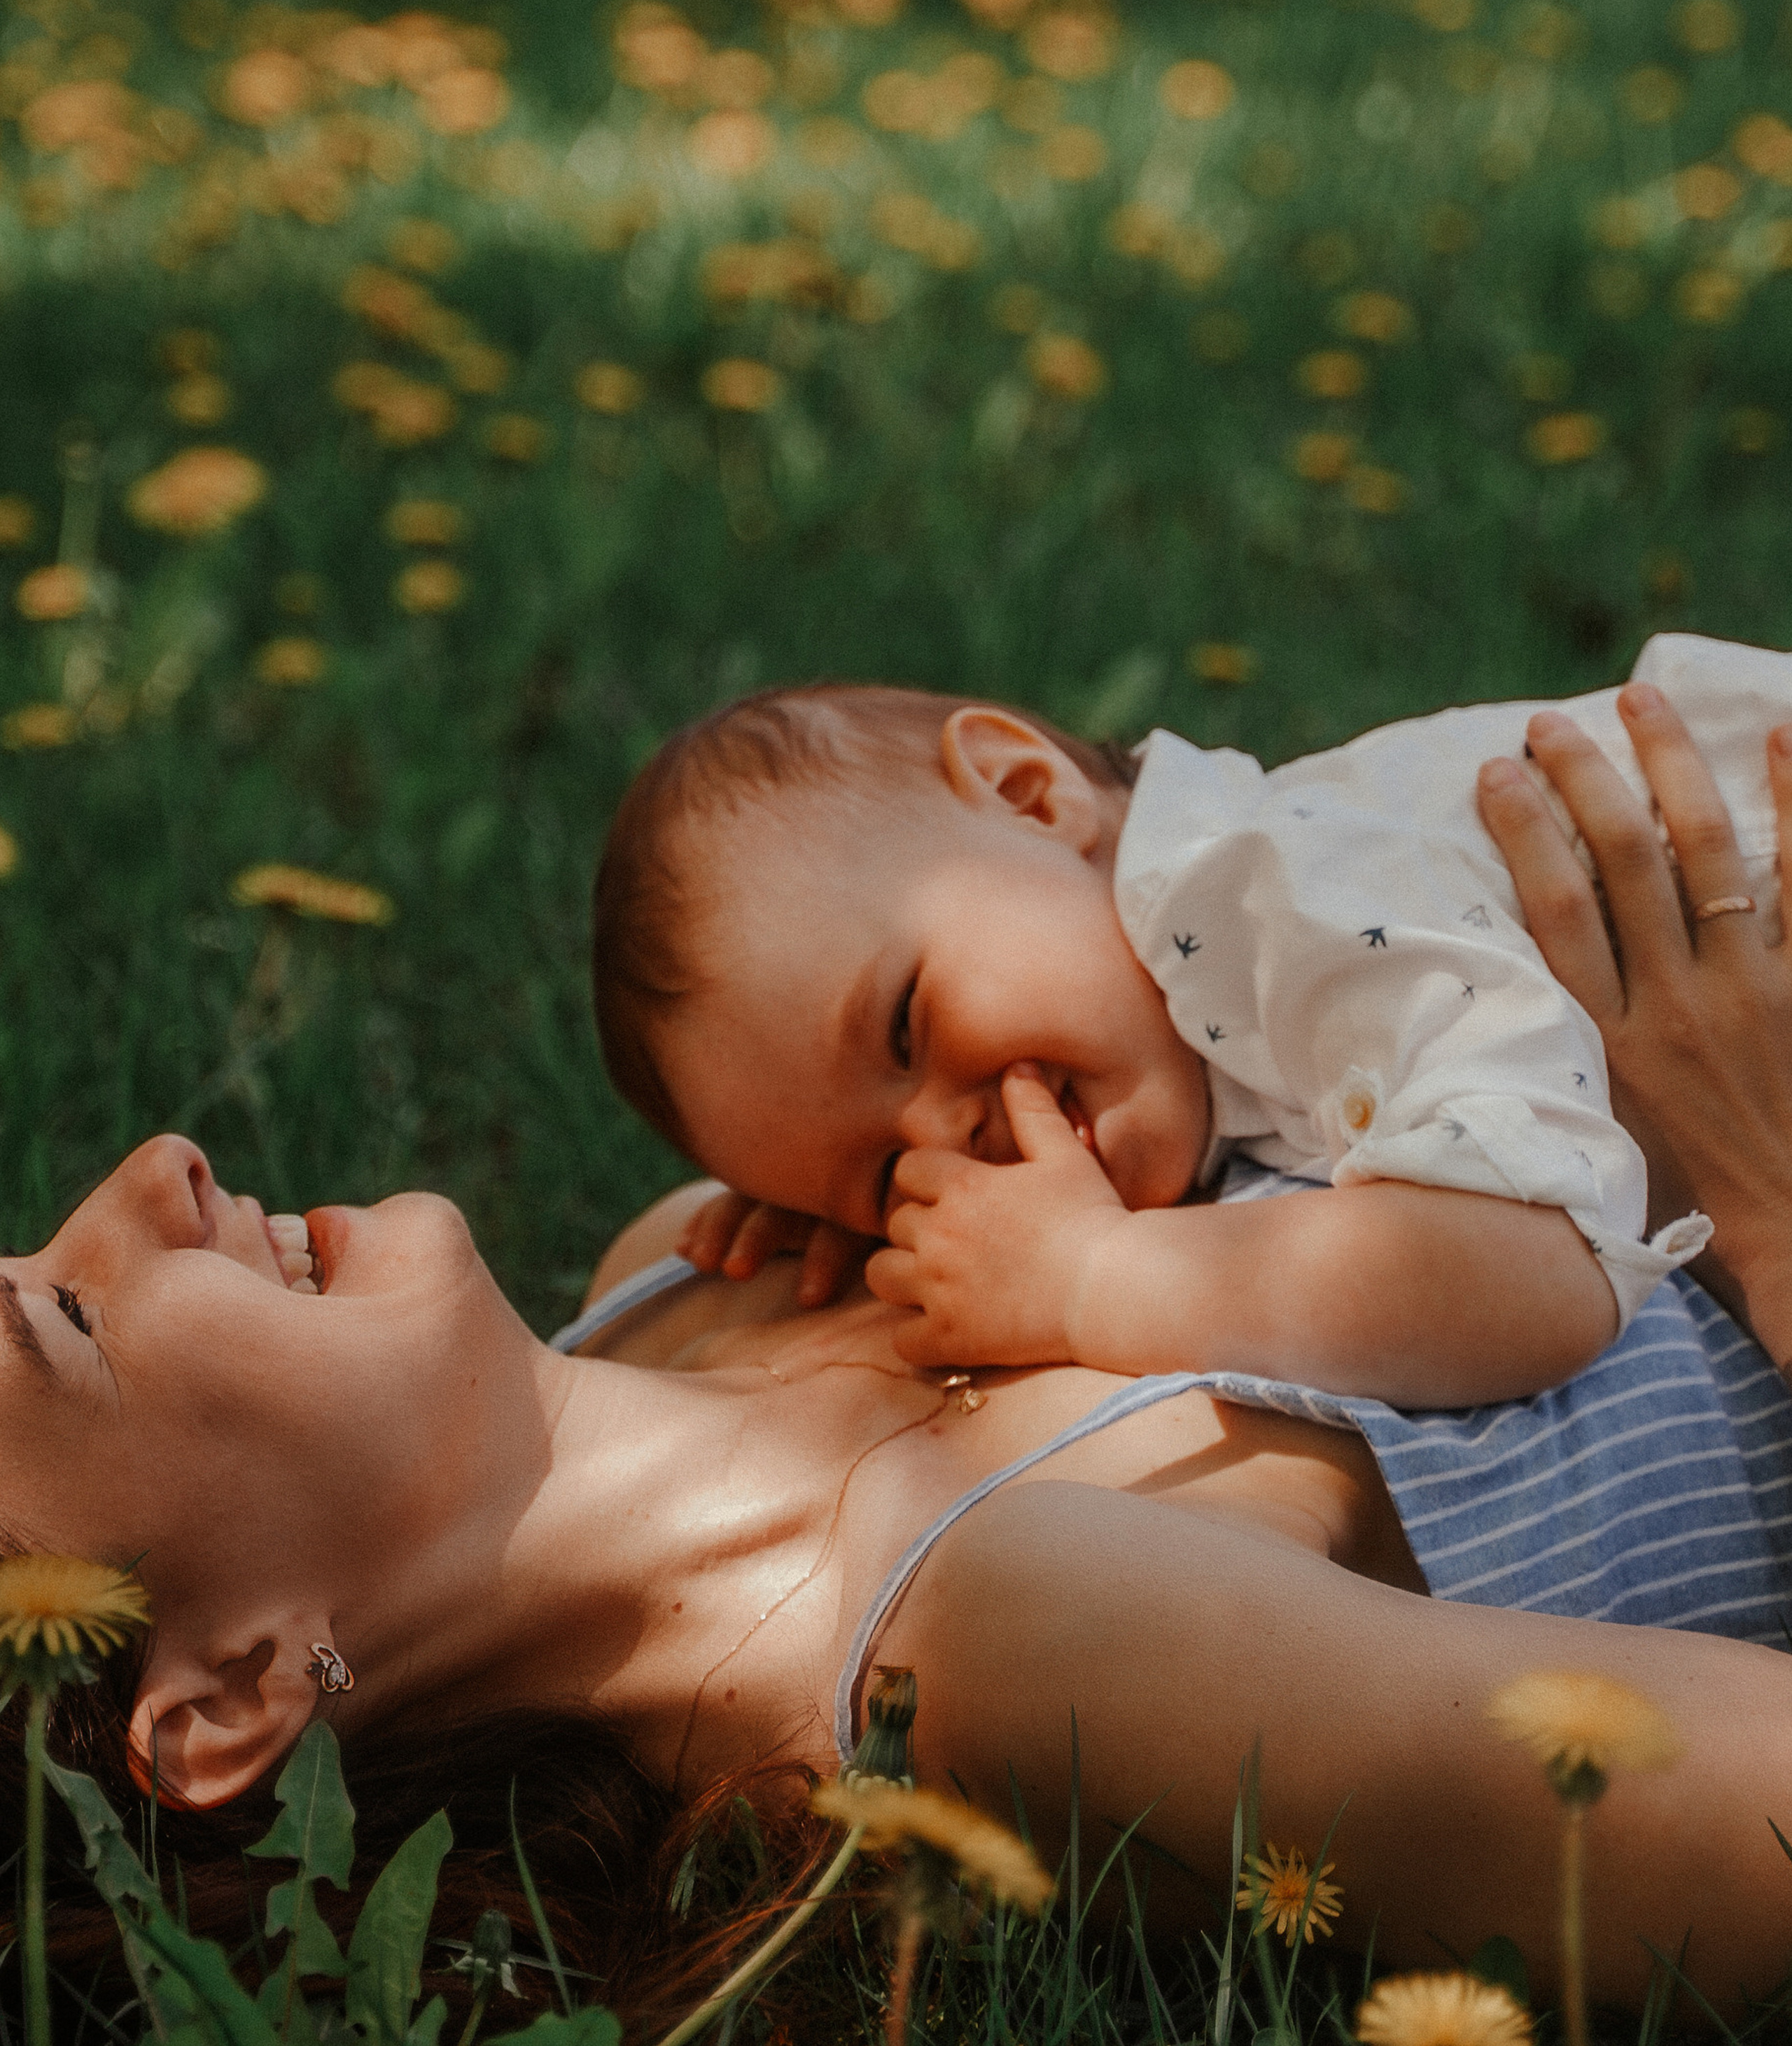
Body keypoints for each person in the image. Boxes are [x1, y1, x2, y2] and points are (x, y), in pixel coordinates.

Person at [11, 686, 1792, 2035]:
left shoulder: (689, 1262)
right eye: (68, 1324)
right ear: (230, 1694)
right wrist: (1762, 1184)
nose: (147, 1175)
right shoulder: (1009, 1630)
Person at [591, 638, 1792, 1407]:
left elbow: (1536, 1274)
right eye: (884, 1172)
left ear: (1028, 792)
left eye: (907, 1024)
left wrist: (1098, 1275)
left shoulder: (1272, 904)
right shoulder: (1198, 1000)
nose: (954, 1138)